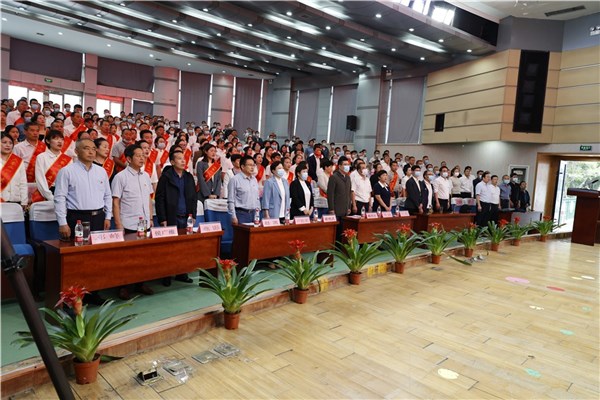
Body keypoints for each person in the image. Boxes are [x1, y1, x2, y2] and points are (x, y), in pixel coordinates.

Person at [53, 139, 112, 305]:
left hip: (98, 217)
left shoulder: (101, 171)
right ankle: (74, 298)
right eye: (86, 148)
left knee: (96, 257)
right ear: (77, 151)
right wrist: (62, 222)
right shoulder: (67, 171)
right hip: (77, 218)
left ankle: (94, 292)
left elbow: (107, 195)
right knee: (77, 258)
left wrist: (108, 217)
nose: (91, 152)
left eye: (93, 148)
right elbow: (60, 198)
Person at [111, 143, 154, 299]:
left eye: (143, 155)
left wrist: (150, 218)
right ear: (128, 159)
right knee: (127, 257)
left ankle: (140, 283)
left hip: (145, 224)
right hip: (128, 223)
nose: (142, 158)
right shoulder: (120, 177)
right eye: (138, 155)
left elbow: (149, 199)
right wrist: (118, 224)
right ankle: (124, 286)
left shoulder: (146, 176)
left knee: (143, 256)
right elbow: (115, 202)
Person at [155, 149, 197, 286]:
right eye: (179, 158)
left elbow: (194, 198)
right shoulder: (166, 177)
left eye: (183, 158)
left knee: (184, 247)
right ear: (172, 162)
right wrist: (162, 218)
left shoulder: (189, 177)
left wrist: (193, 215)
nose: (183, 161)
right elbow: (159, 199)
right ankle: (166, 274)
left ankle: (181, 273)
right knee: (169, 247)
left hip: (186, 217)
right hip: (171, 217)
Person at [32, 130, 72, 203]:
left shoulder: (68, 159)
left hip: (66, 194)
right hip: (48, 193)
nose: (60, 141)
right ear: (48, 141)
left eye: (62, 139)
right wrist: (50, 197)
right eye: (56, 139)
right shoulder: (41, 157)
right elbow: (40, 178)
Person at [227, 155, 260, 224]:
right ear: (242, 166)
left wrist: (257, 214)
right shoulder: (235, 180)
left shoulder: (254, 179)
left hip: (254, 213)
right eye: (250, 165)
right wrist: (233, 216)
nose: (252, 167)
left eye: (253, 165)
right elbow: (231, 200)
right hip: (241, 214)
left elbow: (257, 198)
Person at [327, 156, 352, 243]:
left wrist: (349, 206)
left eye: (348, 164)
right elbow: (330, 194)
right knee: (336, 232)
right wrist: (331, 208)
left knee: (344, 231)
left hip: (345, 209)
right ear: (340, 166)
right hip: (336, 209)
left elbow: (349, 193)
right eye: (345, 164)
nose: (347, 166)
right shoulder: (334, 177)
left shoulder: (348, 177)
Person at [0, 132, 28, 208]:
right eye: (4, 142)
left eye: (10, 143)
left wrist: (24, 201)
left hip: (16, 200)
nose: (8, 145)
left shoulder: (18, 161)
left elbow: (23, 183)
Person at [13, 122, 45, 187]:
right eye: (32, 130)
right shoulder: (18, 147)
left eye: (37, 131)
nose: (35, 133)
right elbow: (14, 166)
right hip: (25, 180)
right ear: (25, 132)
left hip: (43, 179)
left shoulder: (45, 146)